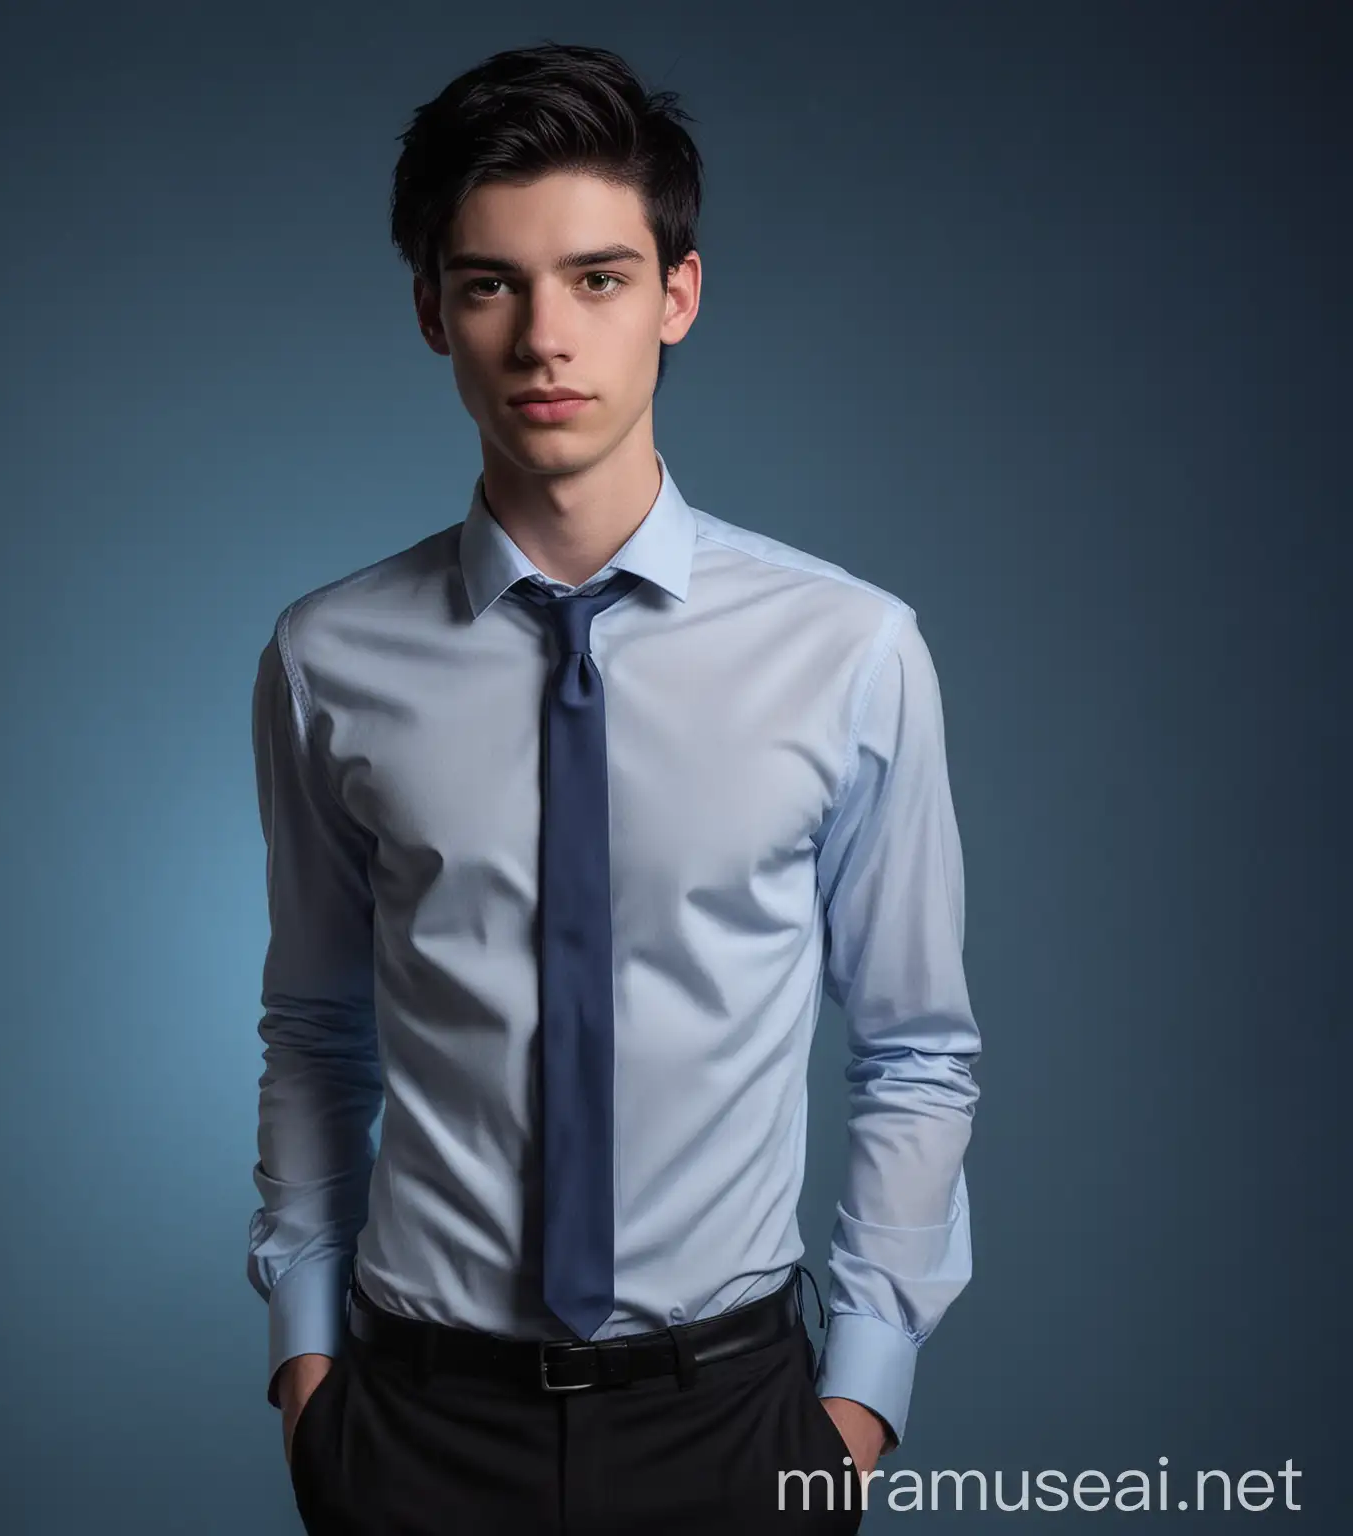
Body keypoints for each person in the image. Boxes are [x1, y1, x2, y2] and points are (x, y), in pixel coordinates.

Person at [246, 40, 980, 1535]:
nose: (542, 341)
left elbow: (915, 1049)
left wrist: (858, 1397)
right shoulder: (329, 658)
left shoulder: (851, 651)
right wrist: (305, 1365)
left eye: (596, 278)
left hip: (735, 1424)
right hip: (415, 1429)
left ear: (677, 297)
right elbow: (317, 1029)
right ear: (432, 314)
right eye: (490, 284)